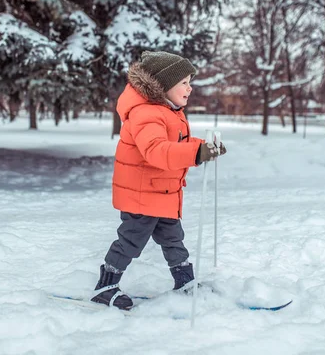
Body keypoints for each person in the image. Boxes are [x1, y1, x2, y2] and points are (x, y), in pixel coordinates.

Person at [91, 50, 227, 310]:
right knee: (131, 240)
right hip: (142, 195)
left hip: (162, 194)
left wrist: (203, 146)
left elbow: (178, 144)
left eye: (190, 82)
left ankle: (184, 281)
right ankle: (105, 287)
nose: (190, 88)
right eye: (184, 83)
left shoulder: (167, 111)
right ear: (164, 85)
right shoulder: (146, 114)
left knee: (173, 238)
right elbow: (157, 151)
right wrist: (197, 153)